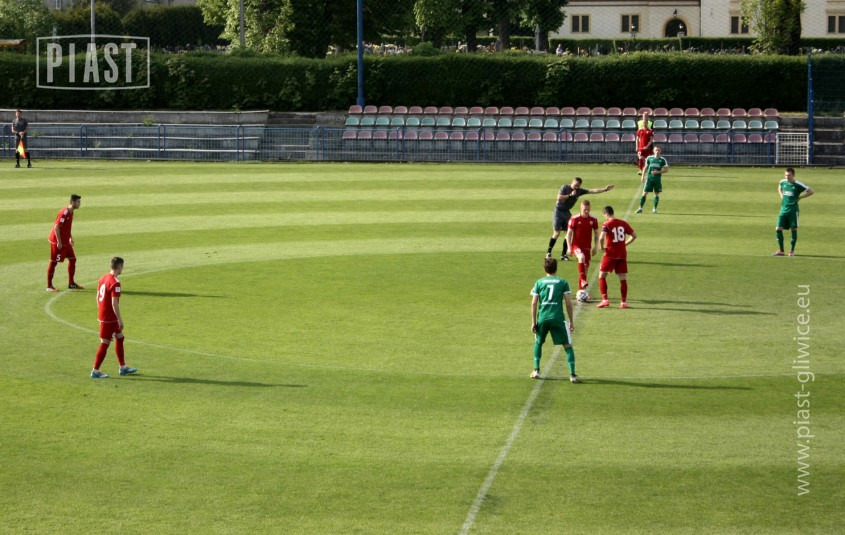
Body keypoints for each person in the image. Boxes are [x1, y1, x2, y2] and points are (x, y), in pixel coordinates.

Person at [530, 257, 579, 383]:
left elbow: (534, 303)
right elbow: (568, 303)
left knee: (538, 342)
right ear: (556, 269)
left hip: (543, 317)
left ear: (544, 269)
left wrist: (533, 322)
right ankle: (572, 375)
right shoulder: (563, 282)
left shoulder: (539, 282)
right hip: (557, 318)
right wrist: (571, 321)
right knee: (567, 345)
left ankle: (536, 370)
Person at [546, 177, 614, 261]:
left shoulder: (579, 191)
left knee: (568, 233)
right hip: (558, 211)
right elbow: (559, 198)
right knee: (557, 233)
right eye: (575, 185)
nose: (576, 187)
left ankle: (563, 254)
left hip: (567, 212)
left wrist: (605, 189)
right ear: (572, 182)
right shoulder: (565, 187)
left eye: (578, 186)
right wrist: (570, 195)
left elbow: (592, 191)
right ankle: (548, 252)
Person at [91, 257, 137, 379]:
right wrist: (119, 320)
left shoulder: (103, 278)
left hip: (105, 316)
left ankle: (123, 367)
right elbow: (114, 303)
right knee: (105, 343)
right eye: (122, 267)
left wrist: (101, 312)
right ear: (119, 267)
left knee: (120, 337)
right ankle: (95, 370)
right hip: (110, 318)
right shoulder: (115, 283)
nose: (123, 269)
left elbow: (97, 297)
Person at [596, 206, 636, 309]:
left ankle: (605, 300)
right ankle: (623, 302)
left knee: (602, 276)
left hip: (610, 254)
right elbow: (634, 235)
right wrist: (625, 244)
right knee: (623, 278)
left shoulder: (607, 224)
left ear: (606, 214)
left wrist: (602, 247)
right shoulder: (623, 223)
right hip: (622, 254)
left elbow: (601, 238)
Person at [773, 167, 814, 256]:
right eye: (786, 175)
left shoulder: (798, 184)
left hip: (793, 210)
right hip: (783, 210)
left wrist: (800, 197)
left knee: (793, 229)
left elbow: (811, 191)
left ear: (793, 175)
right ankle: (781, 251)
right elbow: (779, 187)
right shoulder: (783, 182)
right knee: (778, 229)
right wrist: (781, 196)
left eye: (789, 175)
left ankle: (792, 251)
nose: (787, 177)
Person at [47, 194, 83, 292]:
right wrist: (59, 241)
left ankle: (71, 283)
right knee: (54, 262)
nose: (80, 204)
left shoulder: (71, 212)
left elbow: (67, 227)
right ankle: (49, 286)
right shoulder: (65, 213)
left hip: (66, 241)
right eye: (78, 202)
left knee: (73, 259)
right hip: (57, 242)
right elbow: (57, 227)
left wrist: (70, 237)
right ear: (72, 202)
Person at [564, 199, 599, 300]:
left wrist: (595, 246)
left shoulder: (593, 219)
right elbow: (568, 234)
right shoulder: (574, 219)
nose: (587, 211)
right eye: (585, 209)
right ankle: (583, 281)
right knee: (581, 257)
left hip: (587, 247)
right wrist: (569, 247)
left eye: (588, 209)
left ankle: (581, 292)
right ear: (581, 208)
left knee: (585, 270)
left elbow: (596, 234)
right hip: (576, 246)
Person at [636, 145, 669, 214]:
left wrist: (658, 172)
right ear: (653, 151)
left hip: (657, 180)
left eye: (658, 150)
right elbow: (645, 167)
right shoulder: (649, 158)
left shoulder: (663, 160)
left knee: (656, 194)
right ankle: (640, 208)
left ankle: (654, 209)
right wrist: (642, 176)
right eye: (656, 150)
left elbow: (666, 170)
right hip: (649, 179)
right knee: (644, 193)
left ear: (660, 151)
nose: (657, 151)